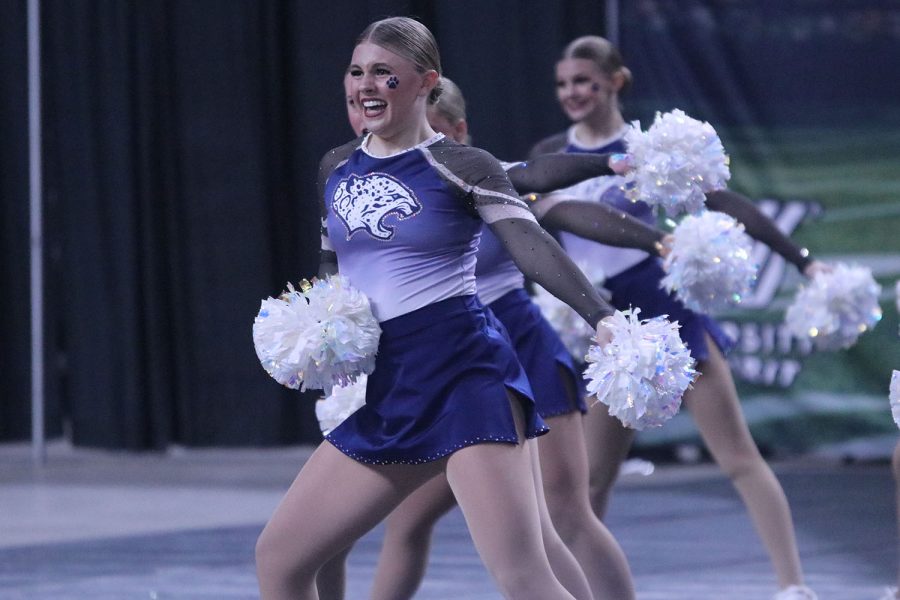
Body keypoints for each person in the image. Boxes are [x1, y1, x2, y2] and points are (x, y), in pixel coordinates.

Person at [255, 18, 634, 600]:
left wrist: (601, 316)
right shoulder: (336, 167)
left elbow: (533, 249)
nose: (366, 86)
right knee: (281, 557)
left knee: (524, 574)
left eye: (386, 73)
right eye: (357, 72)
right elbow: (337, 272)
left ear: (426, 83)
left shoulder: (461, 164)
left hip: (467, 380)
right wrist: (323, 333)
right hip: (393, 388)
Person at [318, 75, 673, 600]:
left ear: (457, 131)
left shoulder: (474, 175)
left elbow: (546, 187)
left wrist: (618, 178)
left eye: (433, 131)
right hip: (427, 374)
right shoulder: (357, 178)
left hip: (503, 359)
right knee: (411, 524)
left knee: (559, 522)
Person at [530, 34, 828, 600]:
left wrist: (801, 261)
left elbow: (728, 203)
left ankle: (794, 587)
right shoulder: (550, 151)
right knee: (593, 479)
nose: (571, 92)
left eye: (584, 82)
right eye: (563, 83)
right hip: (605, 325)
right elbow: (540, 231)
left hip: (667, 315)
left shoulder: (650, 150)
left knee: (738, 455)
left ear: (616, 82)